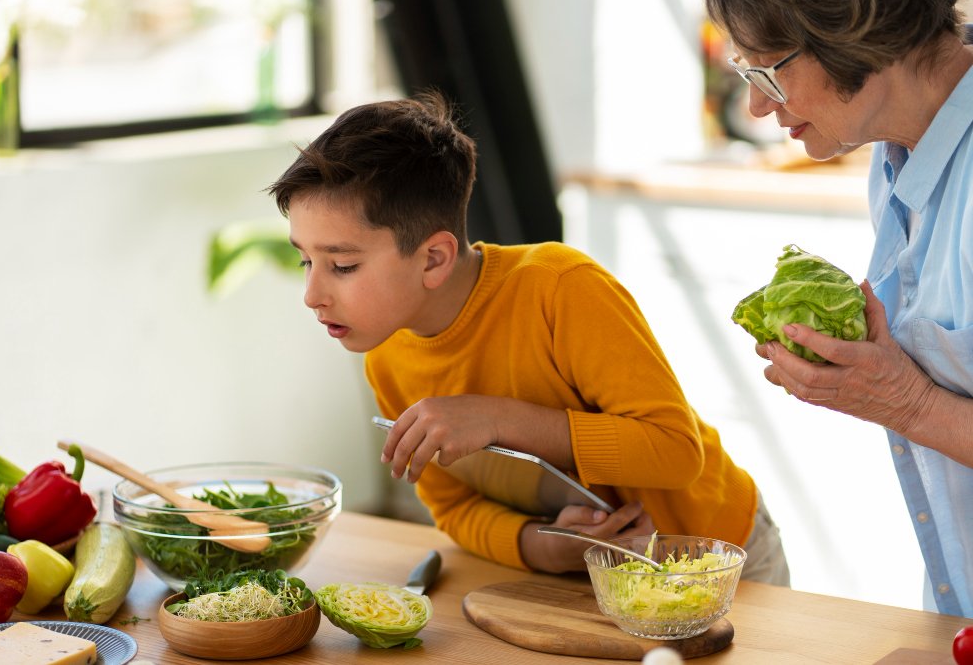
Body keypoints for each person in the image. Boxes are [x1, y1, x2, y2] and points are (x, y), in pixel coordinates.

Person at [267, 91, 789, 583]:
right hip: (599, 581)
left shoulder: (560, 288)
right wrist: (541, 545)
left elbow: (676, 452)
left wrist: (496, 419)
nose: (312, 293)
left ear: (433, 258)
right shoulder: (388, 357)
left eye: (342, 265)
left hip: (719, 559)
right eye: (306, 260)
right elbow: (454, 508)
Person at [706, 0, 973, 616]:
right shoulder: (894, 155)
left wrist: (909, 403)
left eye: (770, 71)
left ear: (855, 36)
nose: (757, 106)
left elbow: (917, 398)